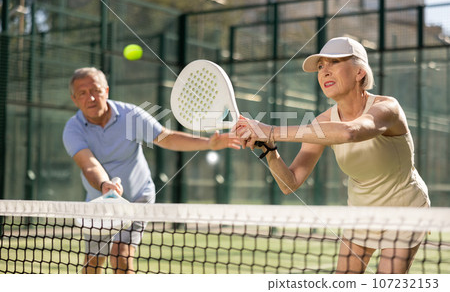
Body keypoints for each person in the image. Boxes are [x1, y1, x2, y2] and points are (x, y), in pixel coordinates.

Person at [233, 37, 430, 274]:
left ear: (359, 72)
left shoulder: (388, 108)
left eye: (333, 62)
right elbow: (290, 183)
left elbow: (350, 132)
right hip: (361, 212)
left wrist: (271, 130)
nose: (324, 71)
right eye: (320, 67)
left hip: (405, 212)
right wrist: (270, 149)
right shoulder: (322, 122)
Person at [63, 67, 240, 274]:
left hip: (138, 196)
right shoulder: (73, 129)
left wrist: (208, 143)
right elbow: (89, 164)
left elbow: (166, 137)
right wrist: (105, 185)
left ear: (107, 91)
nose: (91, 97)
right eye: (82, 93)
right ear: (74, 99)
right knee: (93, 262)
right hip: (100, 203)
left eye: (96, 90)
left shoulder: (131, 116)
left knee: (121, 255)